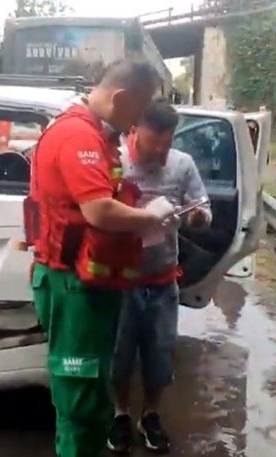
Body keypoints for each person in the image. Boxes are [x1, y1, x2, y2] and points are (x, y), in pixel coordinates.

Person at [27, 59, 178, 457]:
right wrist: (151, 217)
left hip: (90, 284)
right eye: (138, 109)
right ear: (120, 97)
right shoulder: (78, 136)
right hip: (73, 286)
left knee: (94, 395)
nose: (137, 122)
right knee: (81, 399)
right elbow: (99, 211)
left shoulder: (97, 134)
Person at [108, 99, 212, 454]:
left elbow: (203, 208)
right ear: (133, 131)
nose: (160, 151)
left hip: (162, 279)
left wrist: (198, 218)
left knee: (159, 356)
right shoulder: (114, 163)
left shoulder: (182, 165)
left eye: (166, 144)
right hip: (119, 281)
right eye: (153, 143)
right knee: (119, 357)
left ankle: (149, 414)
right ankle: (120, 413)